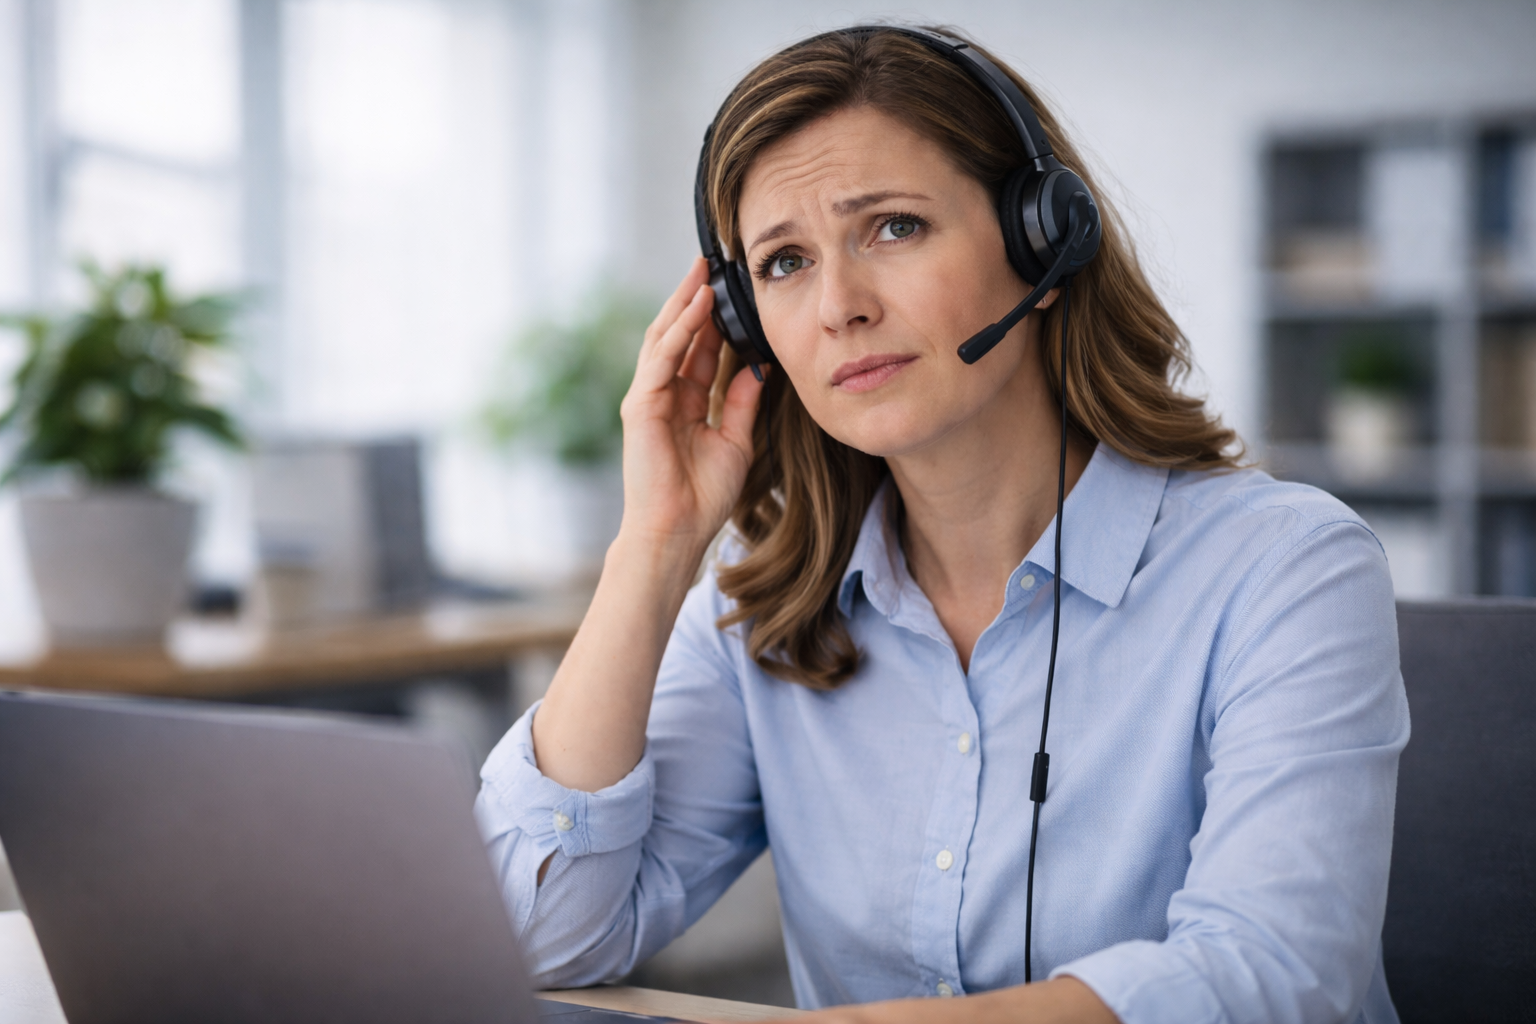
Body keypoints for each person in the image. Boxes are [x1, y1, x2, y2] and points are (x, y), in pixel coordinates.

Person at [475, 25, 1408, 1024]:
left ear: (1043, 240)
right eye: (785, 262)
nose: (839, 306)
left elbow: (1271, 978)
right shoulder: (770, 603)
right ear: (748, 323)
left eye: (892, 228)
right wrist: (655, 546)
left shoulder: (1285, 568)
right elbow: (533, 936)